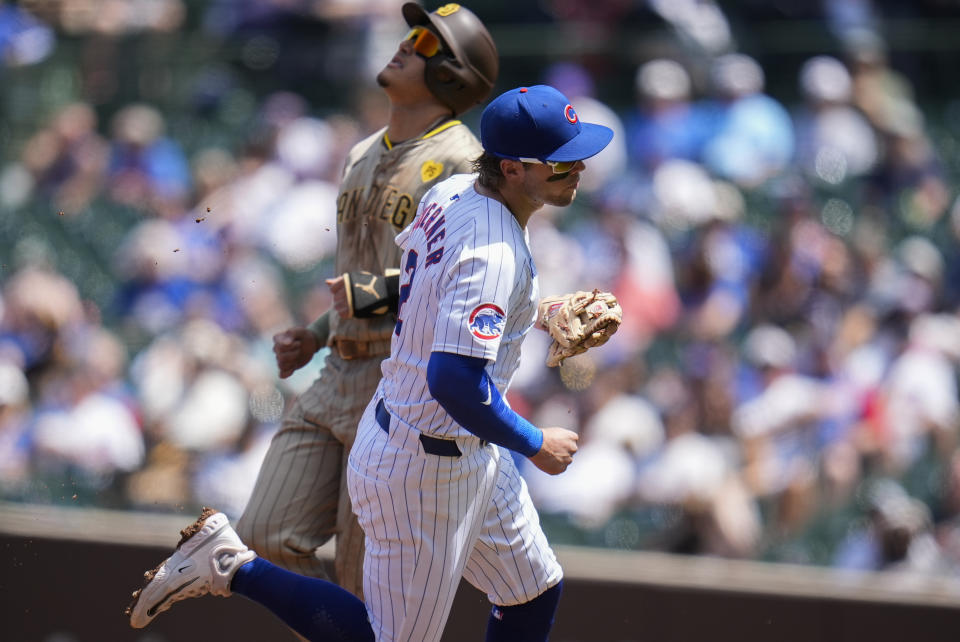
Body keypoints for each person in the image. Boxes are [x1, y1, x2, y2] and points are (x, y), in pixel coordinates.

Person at [127, 83, 613, 642]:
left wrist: (538, 313)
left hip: (458, 446)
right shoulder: (492, 250)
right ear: (511, 168)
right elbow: (453, 379)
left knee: (534, 590)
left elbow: (427, 289)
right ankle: (234, 567)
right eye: (559, 163)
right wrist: (535, 442)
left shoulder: (455, 191)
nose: (577, 168)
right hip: (426, 466)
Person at [234, 1, 498, 601]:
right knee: (265, 533)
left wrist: (364, 297)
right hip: (338, 370)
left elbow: (461, 277)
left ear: (453, 75)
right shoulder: (359, 153)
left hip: (398, 386)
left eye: (427, 44)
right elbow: (357, 280)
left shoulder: (464, 164)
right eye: (411, 34)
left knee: (364, 581)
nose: (407, 44)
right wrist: (317, 331)